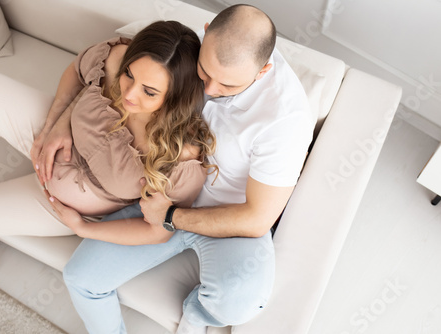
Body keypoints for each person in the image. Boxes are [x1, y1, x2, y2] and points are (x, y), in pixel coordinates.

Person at [63, 4, 314, 334]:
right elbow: (120, 58)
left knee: (242, 299)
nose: (209, 91)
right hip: (161, 190)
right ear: (206, 30)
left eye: (228, 86)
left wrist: (170, 216)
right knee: (80, 278)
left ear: (262, 72)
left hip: (224, 215)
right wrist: (59, 121)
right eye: (205, 73)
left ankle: (196, 317)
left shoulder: (285, 120)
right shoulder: (190, 43)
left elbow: (257, 219)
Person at [0, 20, 216, 283]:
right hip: (56, 138)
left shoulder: (181, 157)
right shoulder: (115, 58)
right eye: (129, 75)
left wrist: (84, 228)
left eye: (149, 92)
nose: (130, 94)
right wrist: (56, 122)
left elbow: (158, 232)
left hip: (63, 202)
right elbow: (77, 71)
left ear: (175, 98)